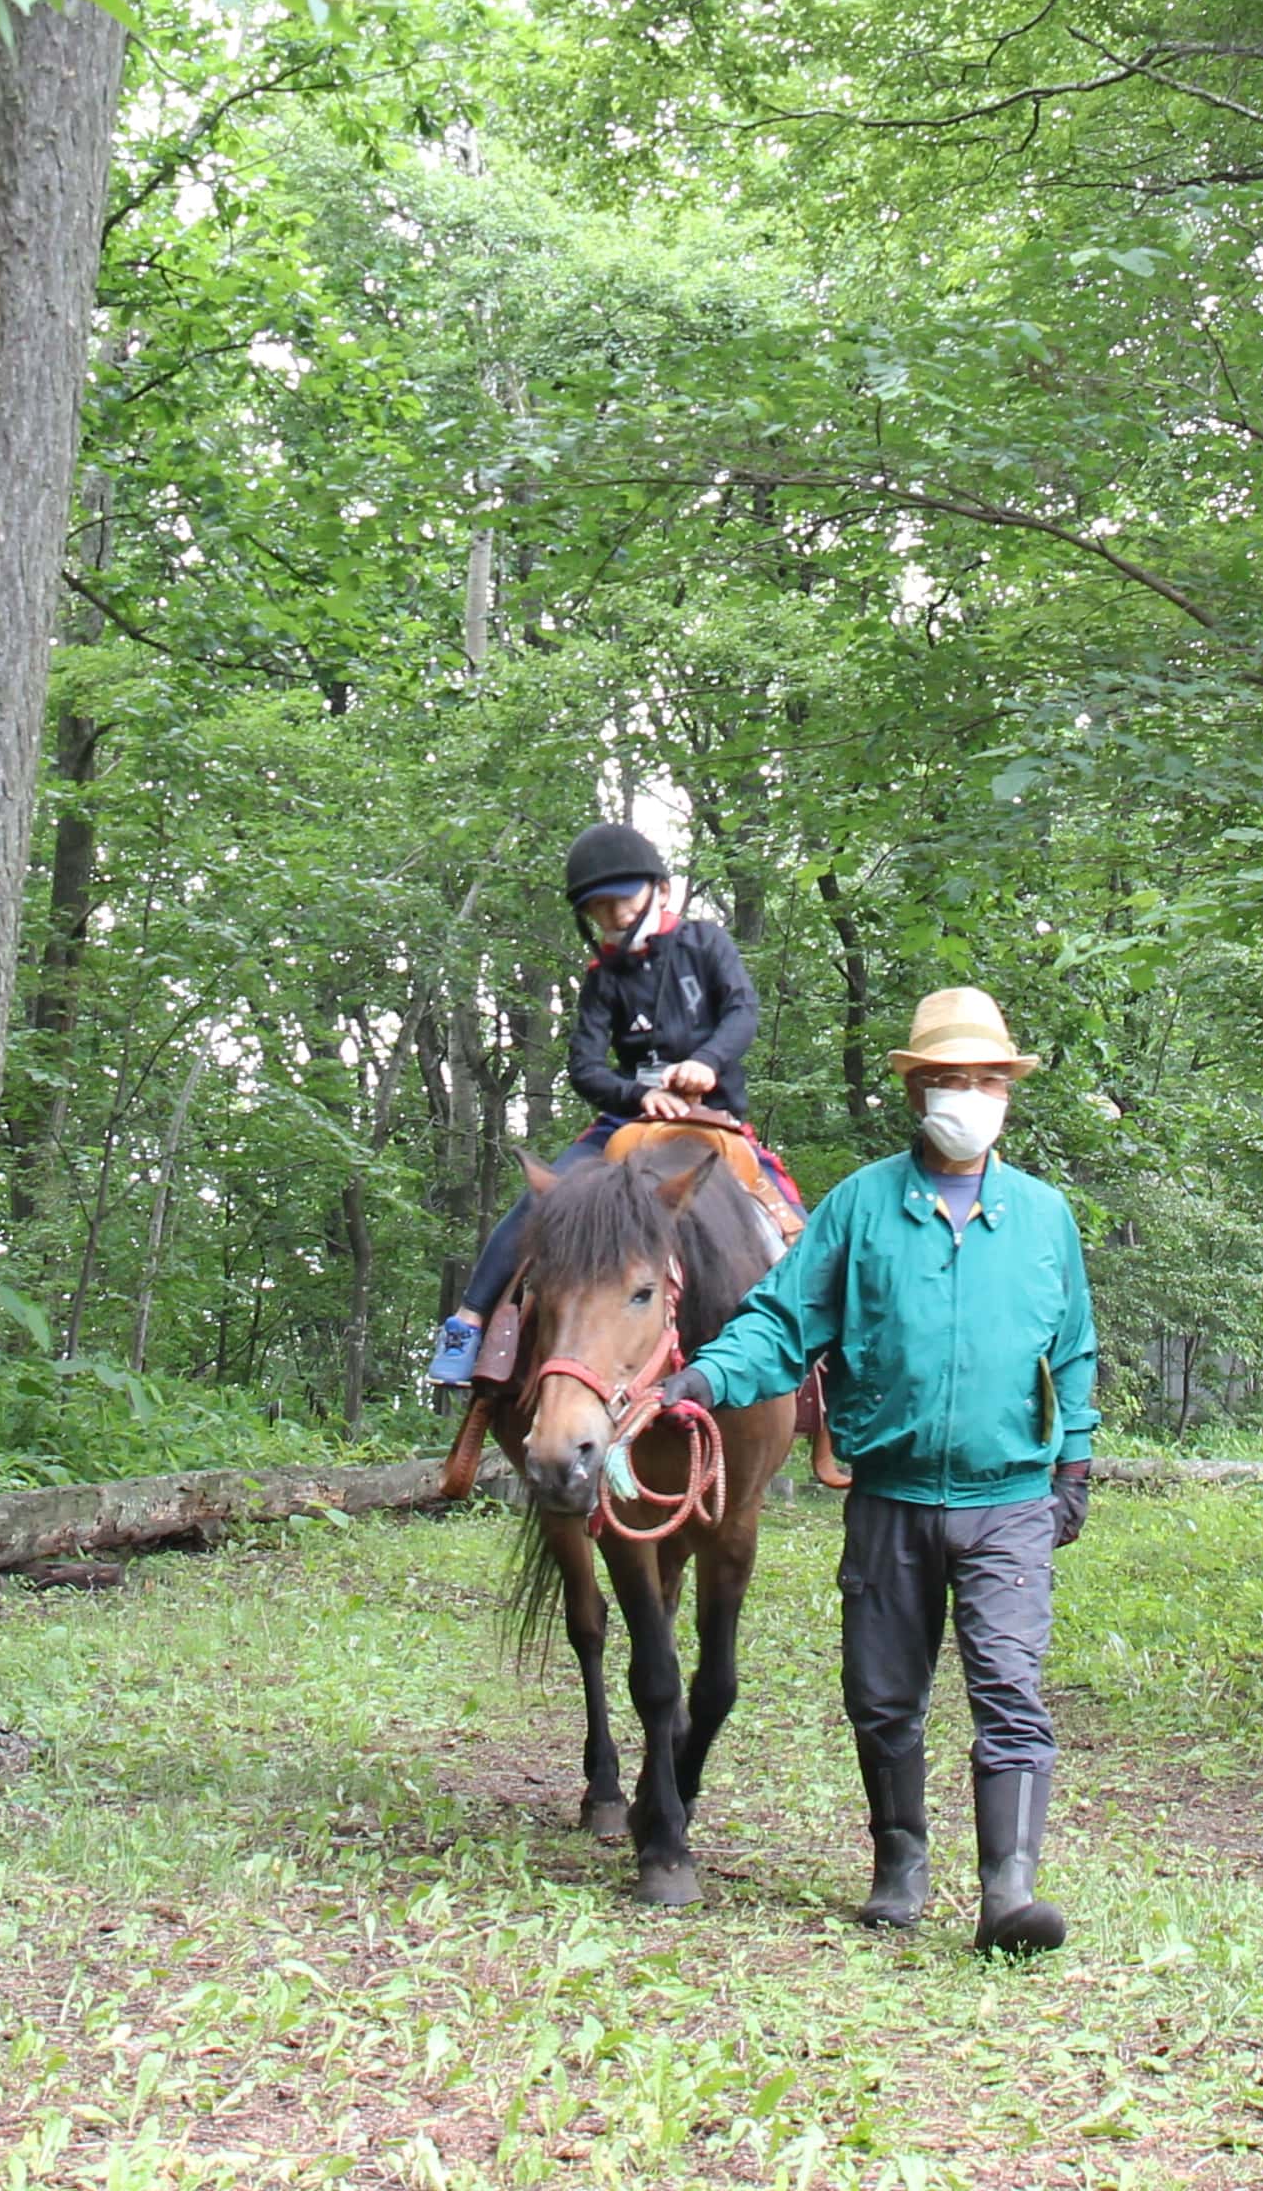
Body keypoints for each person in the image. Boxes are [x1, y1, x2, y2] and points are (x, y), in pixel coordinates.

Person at [664, 986, 1096, 1955]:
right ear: (915, 1094)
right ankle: (899, 1862)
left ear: (1009, 1094)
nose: (967, 1096)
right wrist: (699, 1377)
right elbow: (782, 1324)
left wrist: (1076, 1464)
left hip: (1010, 1500)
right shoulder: (860, 1207)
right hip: (891, 1496)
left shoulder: (1043, 1218)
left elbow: (1073, 1348)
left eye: (985, 1079)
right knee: (883, 1695)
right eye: (947, 1079)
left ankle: (1008, 1893)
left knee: (1010, 1690)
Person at [424, 818, 759, 1391]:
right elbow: (585, 1067)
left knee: (791, 1222)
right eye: (598, 909)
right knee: (546, 1198)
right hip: (627, 1121)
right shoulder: (602, 978)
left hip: (716, 1119)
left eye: (622, 900)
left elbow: (742, 1010)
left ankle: (828, 1366)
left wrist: (706, 1060)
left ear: (659, 890)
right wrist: (640, 1094)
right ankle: (470, 1322)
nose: (614, 916)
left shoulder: (706, 943)